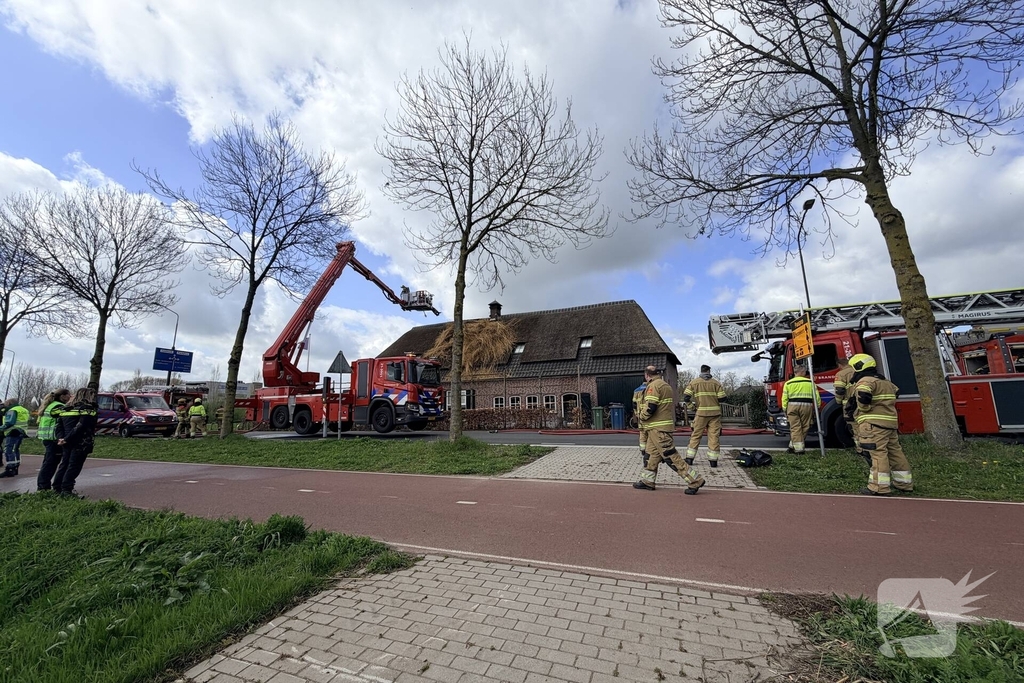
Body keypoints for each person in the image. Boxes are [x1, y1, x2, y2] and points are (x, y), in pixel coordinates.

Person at [844, 354, 913, 496]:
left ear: (859, 367)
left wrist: (863, 409)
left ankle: (879, 487)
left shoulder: (865, 381)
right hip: (890, 423)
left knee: (877, 454)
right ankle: (904, 484)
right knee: (895, 452)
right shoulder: (885, 382)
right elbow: (897, 392)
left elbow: (863, 396)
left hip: (873, 424)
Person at [633, 366, 705, 494]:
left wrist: (641, 417)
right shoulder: (665, 385)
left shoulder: (653, 386)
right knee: (651, 456)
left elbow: (651, 407)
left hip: (658, 429)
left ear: (647, 375)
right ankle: (647, 481)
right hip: (658, 428)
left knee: (671, 457)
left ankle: (695, 480)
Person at [53, 387, 99, 496]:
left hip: (66, 441)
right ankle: (66, 490)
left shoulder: (65, 409)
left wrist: (62, 438)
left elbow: (58, 426)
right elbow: (81, 426)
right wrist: (68, 438)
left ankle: (57, 488)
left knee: (64, 464)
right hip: (80, 441)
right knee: (74, 466)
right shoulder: (87, 408)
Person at [682, 365, 727, 467]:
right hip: (715, 414)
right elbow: (722, 398)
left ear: (701, 371)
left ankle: (689, 459)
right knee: (714, 437)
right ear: (709, 371)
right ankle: (713, 461)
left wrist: (692, 407)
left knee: (696, 435)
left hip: (701, 414)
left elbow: (686, 397)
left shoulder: (694, 382)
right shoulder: (716, 383)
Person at [35, 387, 72, 491]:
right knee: (50, 463)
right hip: (53, 438)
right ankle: (43, 487)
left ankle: (43, 486)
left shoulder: (51, 405)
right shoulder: (58, 406)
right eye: (69, 395)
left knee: (49, 462)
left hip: (48, 437)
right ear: (63, 396)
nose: (70, 397)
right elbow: (66, 414)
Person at [781, 365, 819, 454]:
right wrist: (817, 408)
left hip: (792, 406)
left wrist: (784, 409)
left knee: (795, 428)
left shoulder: (788, 383)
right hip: (807, 406)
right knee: (805, 427)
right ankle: (799, 450)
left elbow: (784, 398)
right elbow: (816, 397)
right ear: (803, 372)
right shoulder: (810, 383)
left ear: (795, 372)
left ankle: (793, 446)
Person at [0, 397, 30, 478]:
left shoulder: (12, 410)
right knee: (15, 449)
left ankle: (10, 469)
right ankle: (16, 467)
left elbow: (10, 422)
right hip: (21, 431)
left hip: (12, 431)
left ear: (9, 403)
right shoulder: (23, 409)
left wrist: (1, 428)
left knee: (8, 450)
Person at [631, 379, 648, 470]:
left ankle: (643, 450)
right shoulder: (650, 389)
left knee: (642, 433)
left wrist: (637, 413)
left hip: (640, 416)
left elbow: (634, 404)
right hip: (649, 416)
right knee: (650, 434)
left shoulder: (636, 390)